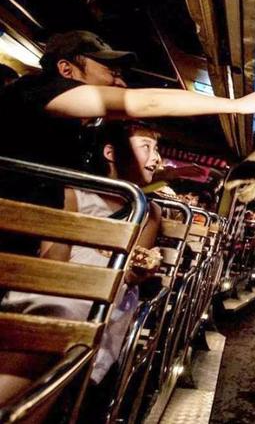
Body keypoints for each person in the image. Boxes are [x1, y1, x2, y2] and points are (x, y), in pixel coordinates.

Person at [0, 30, 255, 251]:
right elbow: (145, 102)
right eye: (112, 72)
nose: (120, 83)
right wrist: (235, 104)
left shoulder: (84, 130)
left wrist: (172, 172)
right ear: (67, 69)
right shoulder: (37, 90)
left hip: (36, 231)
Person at [0, 120, 164, 407]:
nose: (156, 158)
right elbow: (54, 262)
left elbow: (129, 275)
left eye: (156, 149)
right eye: (146, 147)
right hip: (57, 284)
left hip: (107, 295)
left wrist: (140, 269)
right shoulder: (75, 193)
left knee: (66, 321)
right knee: (54, 312)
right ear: (110, 153)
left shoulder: (148, 211)